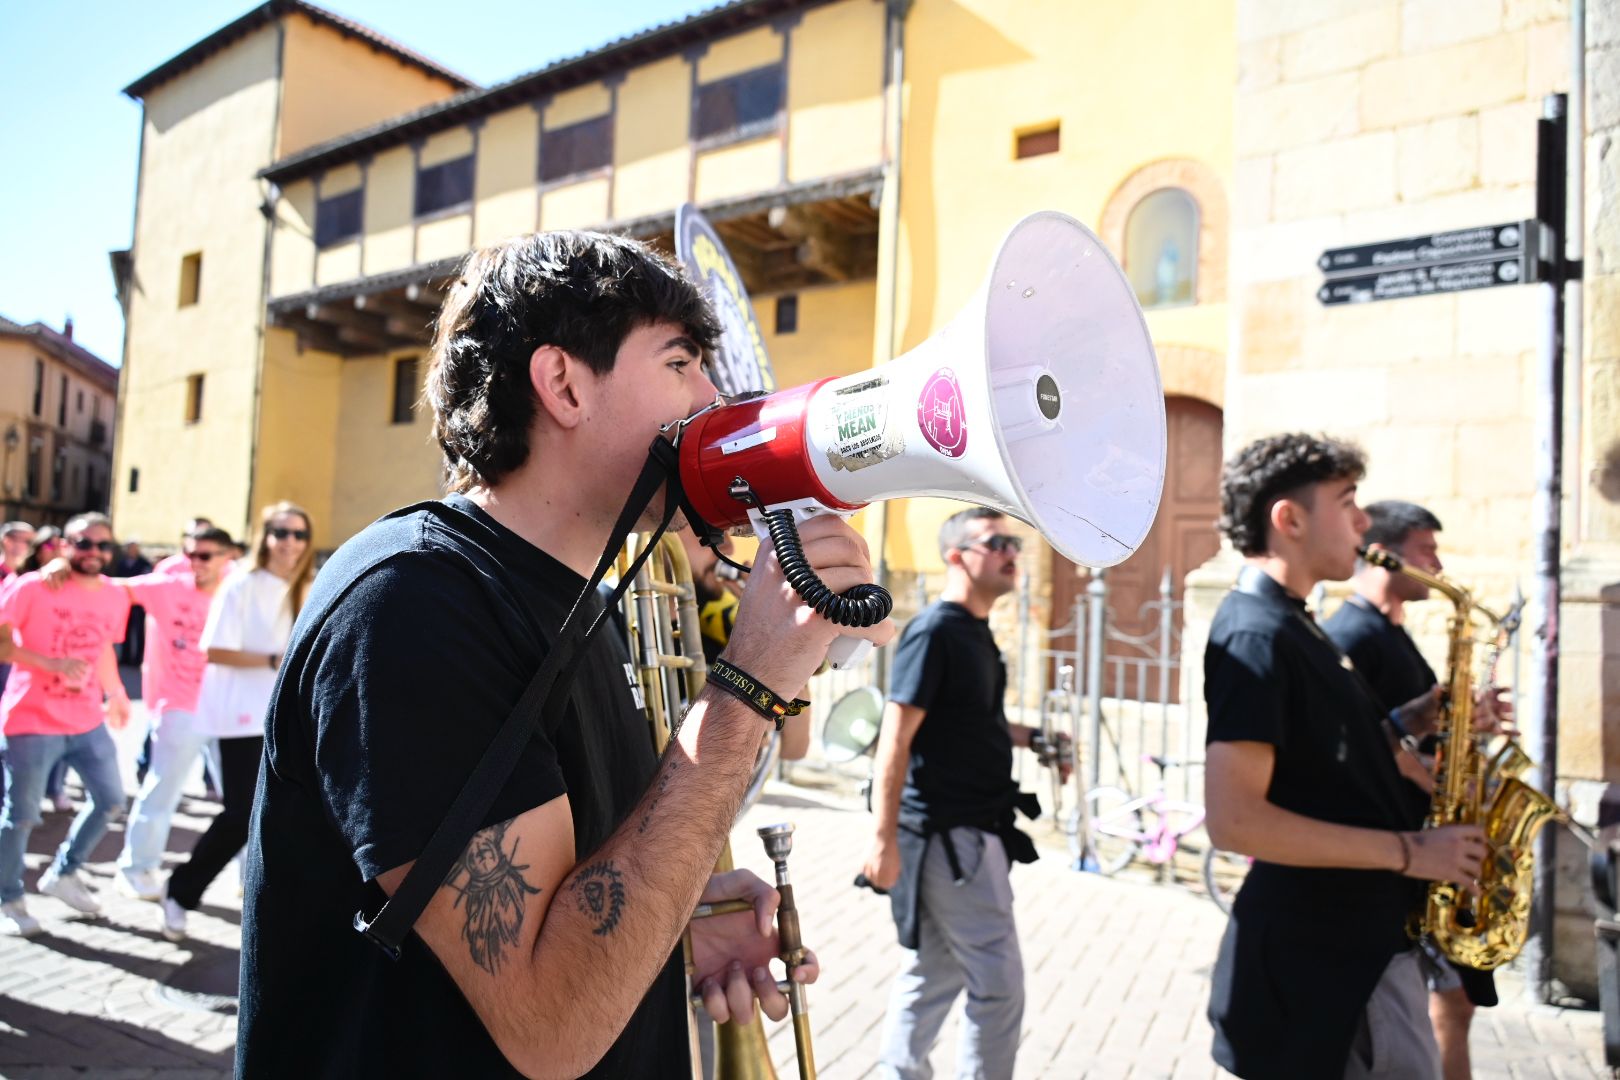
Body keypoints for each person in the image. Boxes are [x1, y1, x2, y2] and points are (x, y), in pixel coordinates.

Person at [235, 230, 888, 1077]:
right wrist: (746, 689)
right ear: (564, 384)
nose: (713, 394)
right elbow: (549, 1021)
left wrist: (678, 926)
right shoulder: (410, 607)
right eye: (681, 361)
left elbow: (568, 892)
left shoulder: (586, 604)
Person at [1201, 434, 1488, 1079]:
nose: (1363, 521)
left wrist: (1414, 720)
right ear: (1290, 519)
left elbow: (1323, 762)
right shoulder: (1256, 632)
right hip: (1324, 965)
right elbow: (1235, 821)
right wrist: (1415, 853)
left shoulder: (1296, 624)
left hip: (1354, 949)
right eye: (1347, 500)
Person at [862, 507, 1065, 1080]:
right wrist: (882, 841)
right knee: (999, 990)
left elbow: (974, 722)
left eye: (1014, 543)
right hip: (951, 841)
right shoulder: (936, 632)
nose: (1011, 552)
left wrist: (1038, 737)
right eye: (995, 542)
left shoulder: (974, 631)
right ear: (955, 556)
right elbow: (894, 742)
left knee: (933, 975)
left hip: (964, 835)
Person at [1322, 501, 1499, 1080]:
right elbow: (1352, 746)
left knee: (1456, 1001)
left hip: (1426, 839)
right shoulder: (1351, 633)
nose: (1438, 563)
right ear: (1389, 553)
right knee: (1444, 1004)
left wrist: (1471, 723)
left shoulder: (1391, 632)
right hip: (1401, 847)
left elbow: (1413, 726)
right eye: (1427, 551)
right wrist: (1430, 777)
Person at [159, 505, 313, 940]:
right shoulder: (241, 585)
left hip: (289, 718)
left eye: (299, 534)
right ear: (265, 536)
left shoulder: (308, 586)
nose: (290, 542)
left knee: (288, 814)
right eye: (281, 532)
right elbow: (215, 650)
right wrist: (273, 660)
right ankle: (180, 890)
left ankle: (269, 901)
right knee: (242, 814)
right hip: (242, 718)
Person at [0, 513, 132, 936]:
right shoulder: (34, 586)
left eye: (102, 545)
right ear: (64, 545)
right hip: (31, 720)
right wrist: (50, 663)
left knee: (111, 800)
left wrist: (116, 693)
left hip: (86, 719)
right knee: (21, 816)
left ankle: (63, 872)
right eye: (83, 543)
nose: (94, 552)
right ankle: (9, 898)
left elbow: (105, 651)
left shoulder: (114, 595)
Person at [103, 527, 232, 900]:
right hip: (179, 705)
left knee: (244, 801)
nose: (196, 563)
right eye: (190, 554)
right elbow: (111, 588)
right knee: (161, 789)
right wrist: (62, 566)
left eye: (205, 556)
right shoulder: (168, 585)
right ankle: (135, 869)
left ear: (227, 557)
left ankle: (249, 878)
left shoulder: (237, 589)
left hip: (228, 710)